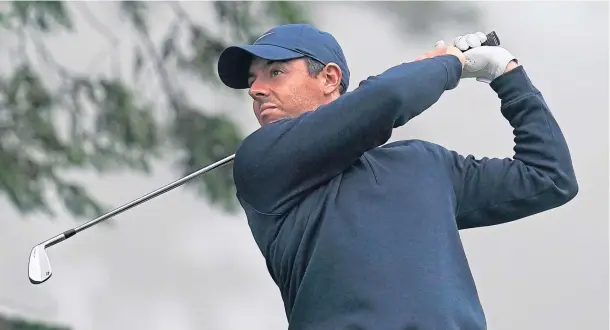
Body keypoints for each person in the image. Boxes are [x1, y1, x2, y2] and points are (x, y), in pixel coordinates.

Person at [217, 24, 578, 330]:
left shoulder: (424, 162)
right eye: (253, 80)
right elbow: (387, 97)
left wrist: (507, 74)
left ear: (329, 78)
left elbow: (549, 176)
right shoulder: (261, 161)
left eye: (274, 72)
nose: (255, 89)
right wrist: (449, 64)